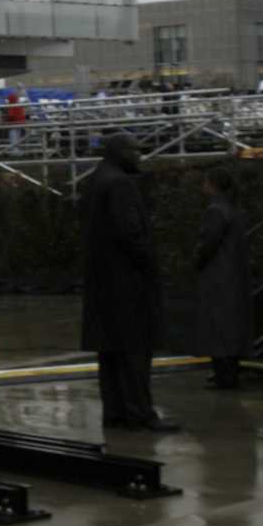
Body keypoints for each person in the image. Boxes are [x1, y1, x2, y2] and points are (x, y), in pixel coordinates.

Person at [80, 133, 180, 431]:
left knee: (110, 354)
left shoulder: (95, 180)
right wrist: (149, 265)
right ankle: (140, 413)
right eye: (135, 151)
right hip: (127, 285)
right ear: (120, 152)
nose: (140, 156)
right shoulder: (120, 184)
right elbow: (131, 234)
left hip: (102, 284)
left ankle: (115, 413)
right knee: (135, 353)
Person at [193, 167, 251, 389]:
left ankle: (223, 375)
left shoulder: (215, 211)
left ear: (212, 184)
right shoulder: (233, 209)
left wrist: (197, 261)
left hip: (218, 274)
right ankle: (230, 372)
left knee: (217, 325)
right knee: (231, 324)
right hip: (234, 273)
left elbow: (208, 243)